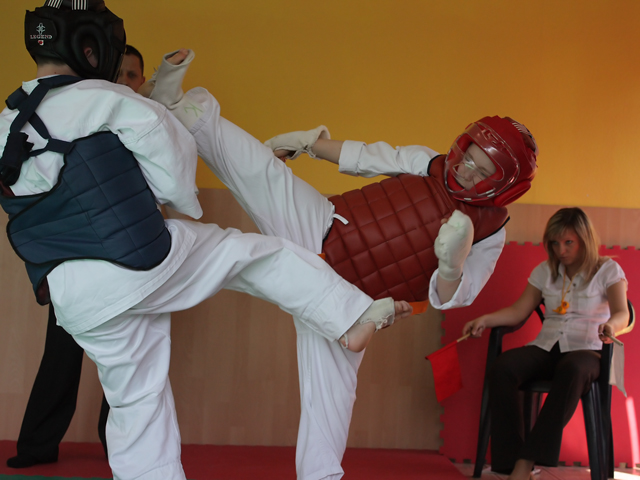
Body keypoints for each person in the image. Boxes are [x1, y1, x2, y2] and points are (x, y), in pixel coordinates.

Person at [0, 2, 412, 479]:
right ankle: (349, 316)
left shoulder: (8, 118)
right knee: (257, 256)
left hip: (74, 295)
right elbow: (172, 168)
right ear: (91, 48)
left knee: (137, 403)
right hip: (136, 260)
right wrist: (178, 201)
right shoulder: (106, 97)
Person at [141, 48, 539, 480]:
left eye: (480, 171)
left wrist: (450, 265)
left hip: (351, 302)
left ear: (502, 187)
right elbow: (365, 157)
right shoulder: (429, 162)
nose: (464, 170)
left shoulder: (490, 233)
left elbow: (453, 297)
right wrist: (309, 144)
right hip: (321, 225)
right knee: (259, 170)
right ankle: (177, 105)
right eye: (467, 156)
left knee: (330, 400)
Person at [6, 43, 148, 470]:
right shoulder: (82, 120)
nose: (124, 81)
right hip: (77, 255)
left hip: (131, 258)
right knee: (60, 355)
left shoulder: (148, 125)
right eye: (118, 73)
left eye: (132, 75)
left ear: (143, 82)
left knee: (127, 360)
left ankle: (118, 448)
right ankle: (37, 446)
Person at [462, 207, 629, 480]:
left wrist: (611, 325)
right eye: (554, 243)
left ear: (585, 239)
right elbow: (519, 311)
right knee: (502, 368)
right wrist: (485, 319)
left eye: (568, 242)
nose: (561, 250)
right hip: (548, 347)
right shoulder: (545, 271)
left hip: (588, 351)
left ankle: (525, 462)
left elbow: (623, 312)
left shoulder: (607, 270)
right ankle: (510, 462)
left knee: (572, 369)